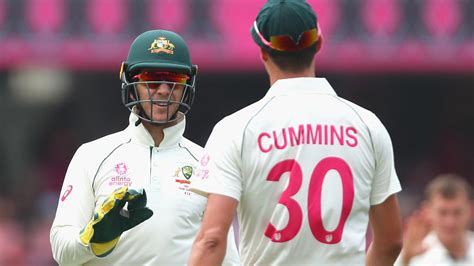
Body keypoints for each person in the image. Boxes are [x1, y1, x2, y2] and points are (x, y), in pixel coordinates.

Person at [188, 0, 403, 265]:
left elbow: (211, 239)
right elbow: (391, 242)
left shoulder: (236, 129)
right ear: (319, 44)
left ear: (262, 52)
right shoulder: (368, 125)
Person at [50, 29, 239, 265]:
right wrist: (93, 240)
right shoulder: (92, 155)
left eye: (174, 80)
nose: (162, 90)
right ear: (131, 82)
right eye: (150, 79)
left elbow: (228, 258)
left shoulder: (206, 163)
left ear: (187, 86)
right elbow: (61, 250)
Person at [397, 174, 474, 265]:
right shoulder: (414, 254)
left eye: (457, 212)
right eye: (443, 212)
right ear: (427, 211)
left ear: (471, 210)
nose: (450, 222)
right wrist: (406, 259)